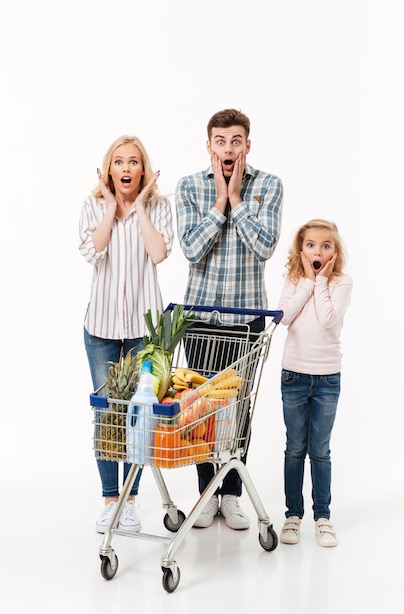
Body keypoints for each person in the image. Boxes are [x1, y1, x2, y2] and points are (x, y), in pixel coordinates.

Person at [175, 108, 283, 530]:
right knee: (200, 411)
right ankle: (206, 494)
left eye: (236, 141)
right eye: (220, 141)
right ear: (209, 146)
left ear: (247, 145)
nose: (228, 149)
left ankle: (232, 495)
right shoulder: (188, 187)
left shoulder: (269, 185)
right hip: (200, 317)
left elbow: (264, 247)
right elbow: (190, 249)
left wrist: (236, 199)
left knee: (238, 410)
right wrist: (220, 200)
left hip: (246, 323)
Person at [79, 135, 174, 533]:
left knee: (138, 416)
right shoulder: (91, 205)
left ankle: (131, 502)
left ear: (143, 170)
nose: (126, 169)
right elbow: (91, 251)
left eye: (133, 162)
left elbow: (159, 253)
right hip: (100, 328)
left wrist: (139, 208)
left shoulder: (158, 207)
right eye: (118, 162)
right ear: (109, 170)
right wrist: (108, 207)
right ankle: (109, 499)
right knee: (107, 415)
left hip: (141, 330)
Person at [277, 219, 352, 547]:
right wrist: (307, 281)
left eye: (325, 245)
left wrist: (320, 282)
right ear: (301, 249)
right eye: (311, 245)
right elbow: (283, 316)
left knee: (320, 450)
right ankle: (293, 515)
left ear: (334, 252)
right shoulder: (294, 280)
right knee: (295, 448)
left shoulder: (342, 283)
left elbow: (327, 319)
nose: (317, 250)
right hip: (294, 374)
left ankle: (323, 516)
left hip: (326, 379)